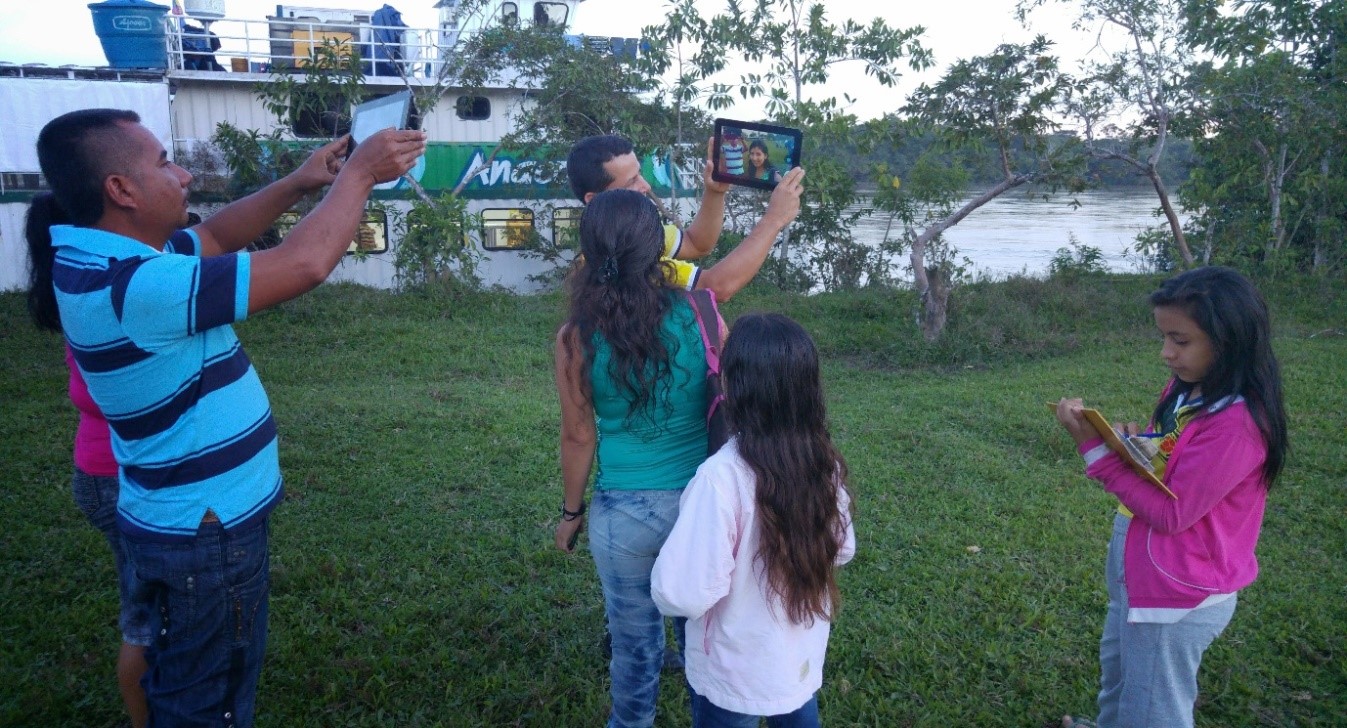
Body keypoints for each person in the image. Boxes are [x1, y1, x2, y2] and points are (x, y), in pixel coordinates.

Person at [35, 107, 425, 726]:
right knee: (206, 703)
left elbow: (213, 236)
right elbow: (304, 264)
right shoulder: (139, 285)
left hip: (169, 520)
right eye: (164, 162)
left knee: (177, 670)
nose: (184, 174)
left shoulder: (103, 259)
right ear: (121, 190)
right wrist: (359, 174)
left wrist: (302, 181)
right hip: (204, 535)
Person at [1053, 266, 1288, 728]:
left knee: (1152, 706)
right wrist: (1130, 442)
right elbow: (1172, 457)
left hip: (1176, 591)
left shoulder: (1237, 426)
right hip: (1145, 571)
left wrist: (1094, 450)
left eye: (1180, 341)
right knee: (1122, 674)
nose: (1166, 353)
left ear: (1230, 340)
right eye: (1164, 337)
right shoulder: (1193, 391)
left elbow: (1171, 511)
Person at [651, 313, 855, 728]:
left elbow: (682, 593)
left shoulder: (720, 479)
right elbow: (843, 547)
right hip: (797, 658)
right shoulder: (823, 464)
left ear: (733, 387)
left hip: (733, 670)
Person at [26, 194, 150, 728]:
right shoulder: (103, 295)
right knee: (147, 620)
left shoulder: (82, 286)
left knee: (152, 607)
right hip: (117, 479)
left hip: (107, 472)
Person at [566, 133, 804, 302]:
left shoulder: (635, 232)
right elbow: (716, 288)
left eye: (639, 174)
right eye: (632, 181)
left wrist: (714, 192)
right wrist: (773, 220)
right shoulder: (615, 257)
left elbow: (697, 243)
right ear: (593, 198)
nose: (646, 185)